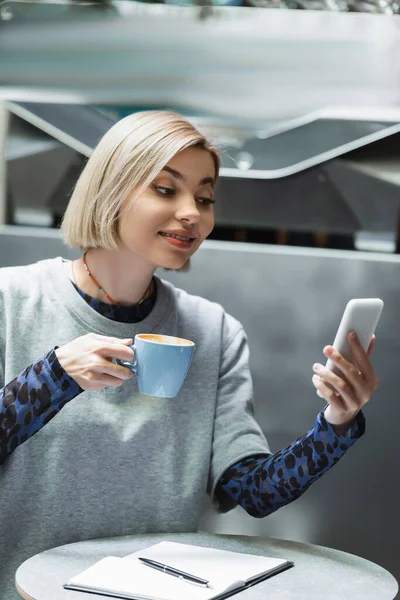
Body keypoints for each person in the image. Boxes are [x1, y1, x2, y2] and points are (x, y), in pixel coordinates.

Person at [0, 111, 378, 600]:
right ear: (110, 191)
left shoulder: (215, 331)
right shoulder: (11, 302)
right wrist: (53, 377)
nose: (192, 213)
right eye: (165, 189)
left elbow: (255, 492)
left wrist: (338, 420)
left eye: (204, 198)